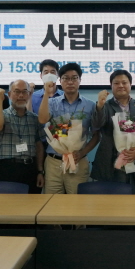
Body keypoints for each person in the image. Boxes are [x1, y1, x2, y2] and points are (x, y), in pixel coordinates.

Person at [91, 70, 135, 194]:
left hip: (134, 163)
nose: (121, 85)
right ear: (111, 85)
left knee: (134, 202)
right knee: (108, 203)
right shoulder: (104, 106)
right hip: (109, 165)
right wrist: (100, 106)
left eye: (124, 82)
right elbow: (96, 125)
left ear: (130, 84)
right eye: (116, 83)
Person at [38, 63, 100, 194]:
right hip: (54, 162)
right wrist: (46, 93)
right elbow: (42, 120)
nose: (70, 82)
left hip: (78, 161)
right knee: (52, 202)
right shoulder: (51, 103)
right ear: (60, 81)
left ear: (80, 80)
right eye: (66, 78)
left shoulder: (90, 105)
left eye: (74, 78)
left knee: (77, 202)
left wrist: (81, 153)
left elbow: (96, 135)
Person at [0, 80, 45, 194]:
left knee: (32, 203)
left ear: (29, 94)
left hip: (30, 168)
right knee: (7, 203)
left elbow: (39, 146)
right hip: (7, 168)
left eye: (24, 92)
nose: (21, 95)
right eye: (16, 92)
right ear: (9, 94)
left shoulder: (35, 118)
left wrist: (40, 171)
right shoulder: (2, 115)